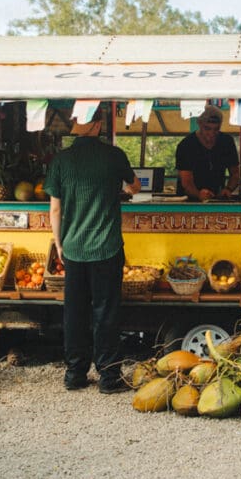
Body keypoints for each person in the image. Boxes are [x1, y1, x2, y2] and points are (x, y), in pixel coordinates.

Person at [45, 108, 141, 393]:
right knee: (106, 312)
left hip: (74, 249)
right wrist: (120, 189)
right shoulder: (114, 156)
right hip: (107, 248)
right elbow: (135, 187)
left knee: (74, 312)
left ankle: (75, 374)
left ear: (76, 122)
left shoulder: (61, 160)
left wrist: (59, 244)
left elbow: (55, 208)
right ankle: (109, 378)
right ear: (98, 124)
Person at [175, 104, 241, 201]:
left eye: (216, 129)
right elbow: (186, 182)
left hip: (217, 199)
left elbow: (235, 173)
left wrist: (228, 189)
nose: (211, 133)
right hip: (189, 202)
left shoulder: (227, 142)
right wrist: (198, 194)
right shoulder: (186, 145)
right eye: (207, 128)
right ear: (199, 124)